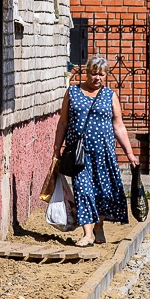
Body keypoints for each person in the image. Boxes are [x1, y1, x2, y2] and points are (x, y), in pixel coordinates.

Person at [48, 54, 139, 246]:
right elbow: (63, 122)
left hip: (104, 153)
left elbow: (118, 125)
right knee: (82, 188)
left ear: (106, 76)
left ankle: (99, 227)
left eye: (101, 74)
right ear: (87, 73)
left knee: (102, 191)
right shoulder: (72, 92)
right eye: (93, 74)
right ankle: (87, 234)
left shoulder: (110, 96)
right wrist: (57, 149)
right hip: (79, 154)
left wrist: (129, 153)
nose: (97, 78)